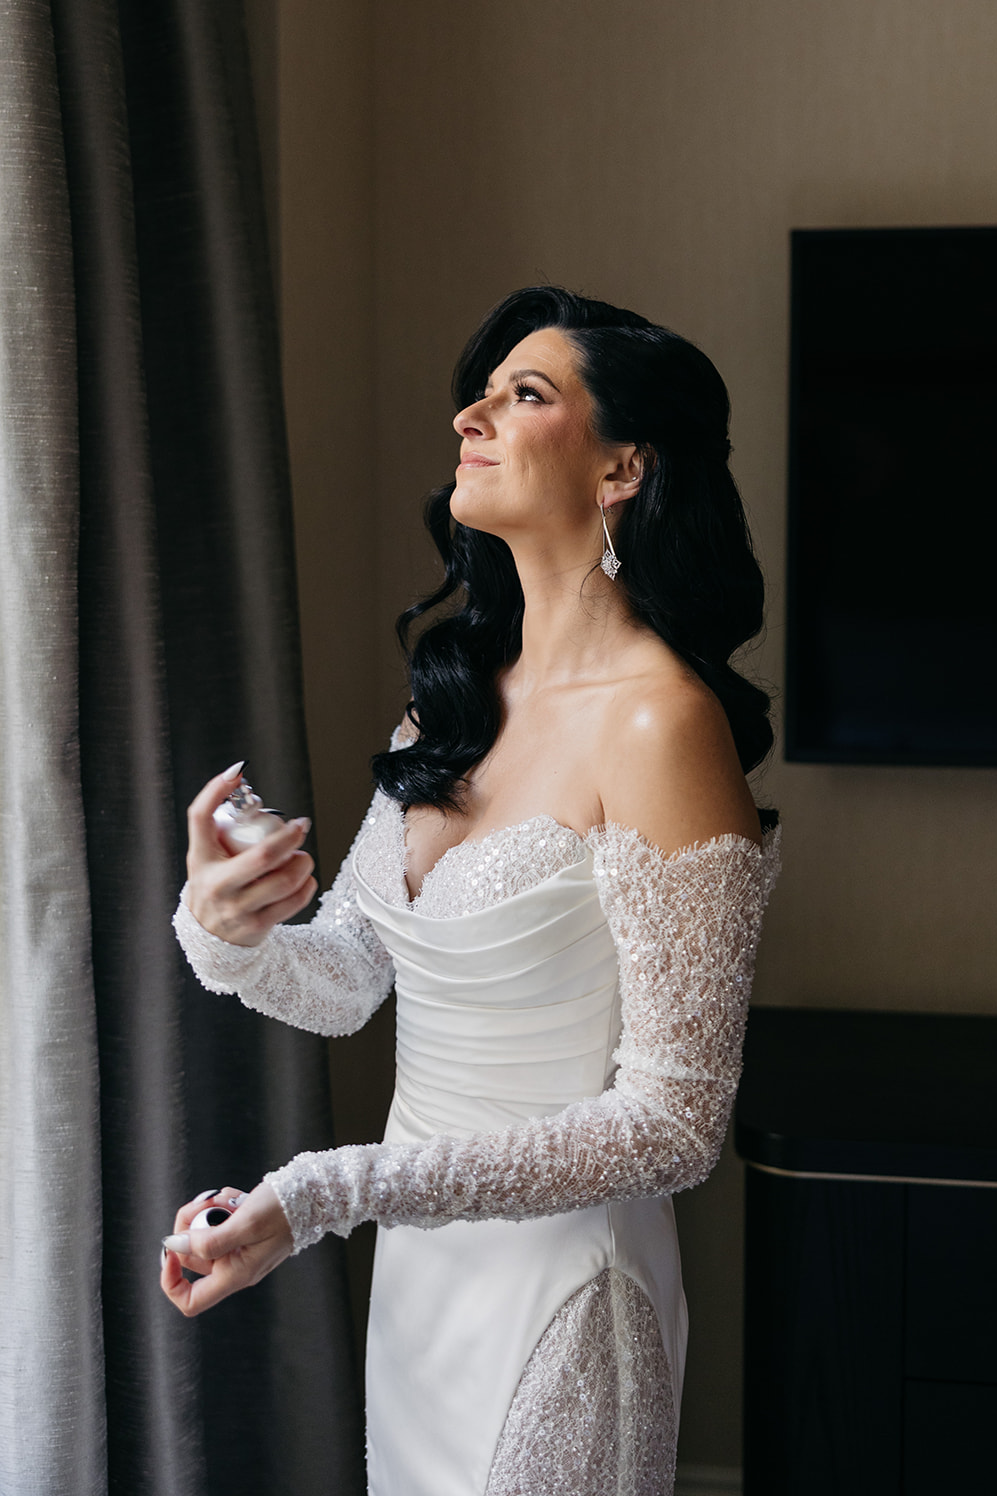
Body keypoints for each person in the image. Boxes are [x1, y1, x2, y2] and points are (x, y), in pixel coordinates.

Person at [162, 286, 780, 1496]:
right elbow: (346, 979)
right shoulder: (447, 706)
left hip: (560, 1304)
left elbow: (670, 1126)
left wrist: (325, 1194)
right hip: (421, 1285)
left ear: (622, 469)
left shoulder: (663, 724)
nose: (470, 414)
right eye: (482, 390)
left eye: (524, 393)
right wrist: (223, 928)